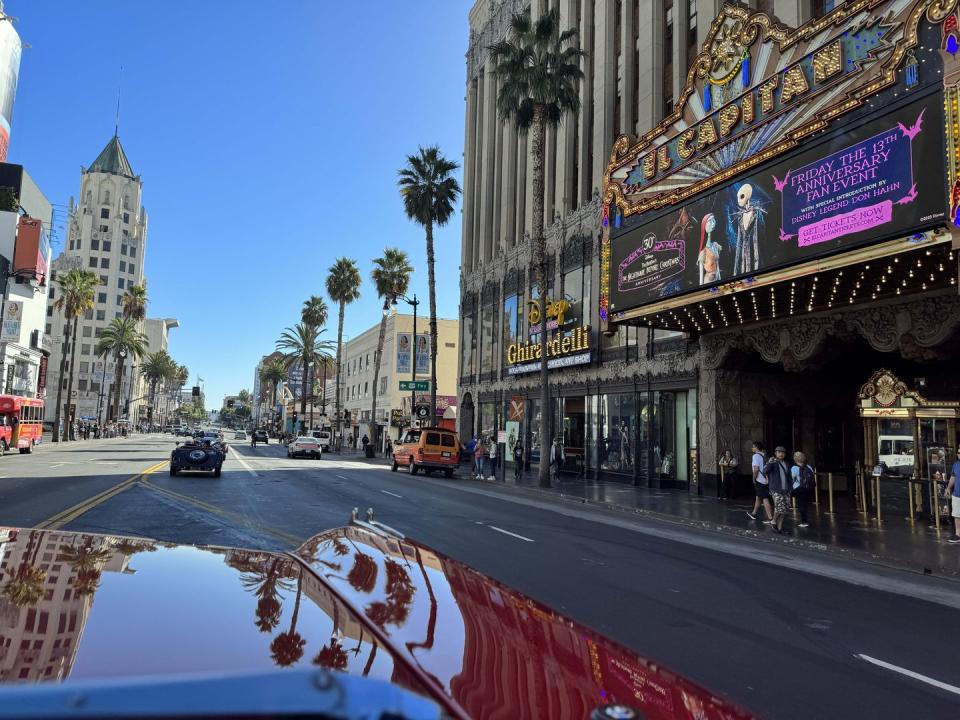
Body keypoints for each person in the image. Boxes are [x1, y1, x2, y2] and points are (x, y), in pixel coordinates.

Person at [764, 446, 792, 534]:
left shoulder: (786, 463)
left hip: (786, 489)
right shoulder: (773, 462)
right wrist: (769, 462)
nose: (781, 454)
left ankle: (779, 528)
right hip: (776, 489)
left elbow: (789, 476)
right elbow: (765, 470)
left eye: (783, 452)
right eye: (779, 452)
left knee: (785, 509)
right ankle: (773, 521)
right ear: (775, 453)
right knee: (780, 507)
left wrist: (790, 488)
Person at [747, 441, 773, 524]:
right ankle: (754, 513)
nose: (752, 448)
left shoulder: (755, 456)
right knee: (758, 496)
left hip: (759, 479)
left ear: (756, 447)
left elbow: (756, 469)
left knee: (765, 498)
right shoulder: (764, 455)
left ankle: (770, 518)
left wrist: (753, 478)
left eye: (753, 447)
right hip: (766, 479)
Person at [790, 451, 816, 528]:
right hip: (808, 489)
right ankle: (805, 521)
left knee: (801, 505)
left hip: (799, 489)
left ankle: (804, 522)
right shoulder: (809, 466)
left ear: (795, 459)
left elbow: (792, 479)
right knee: (804, 505)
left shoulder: (794, 468)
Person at [945, 449, 960, 543]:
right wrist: (948, 488)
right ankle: (958, 534)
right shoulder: (956, 465)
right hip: (957, 494)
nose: (959, 454)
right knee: (957, 515)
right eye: (958, 452)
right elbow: (953, 477)